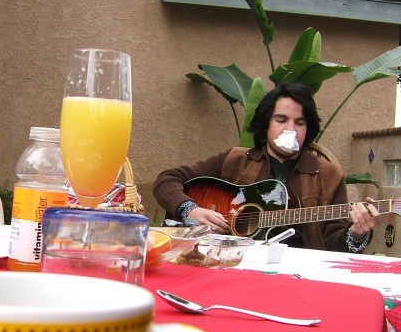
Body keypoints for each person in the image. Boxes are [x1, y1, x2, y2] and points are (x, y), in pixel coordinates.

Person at [152, 83, 378, 252]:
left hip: (300, 270)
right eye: (281, 120)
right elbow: (166, 180)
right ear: (266, 124)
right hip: (233, 262)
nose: (291, 129)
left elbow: (333, 242)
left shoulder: (330, 175)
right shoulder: (234, 160)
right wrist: (190, 210)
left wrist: (356, 235)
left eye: (299, 123)